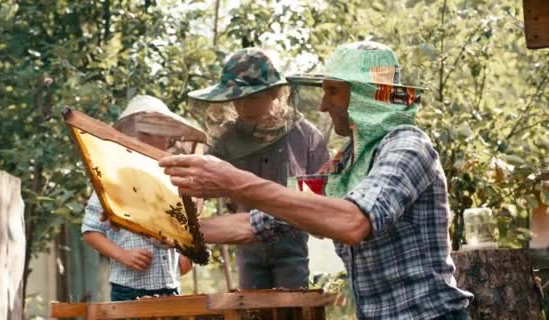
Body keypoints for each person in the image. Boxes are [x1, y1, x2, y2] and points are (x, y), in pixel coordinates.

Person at [159, 42, 474, 319]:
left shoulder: (407, 145)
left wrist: (235, 182)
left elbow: (354, 222)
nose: (323, 104)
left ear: (366, 94)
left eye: (333, 91)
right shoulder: (343, 165)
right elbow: (255, 224)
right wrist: (168, 229)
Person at [187, 48, 330, 289]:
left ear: (274, 92)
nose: (243, 106)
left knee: (292, 309)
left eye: (251, 97)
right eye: (237, 98)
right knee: (253, 310)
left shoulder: (304, 135)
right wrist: (188, 211)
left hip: (292, 241)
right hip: (247, 242)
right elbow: (200, 180)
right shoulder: (228, 139)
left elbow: (323, 196)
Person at [82, 95, 193, 301]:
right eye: (146, 133)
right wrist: (123, 256)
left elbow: (187, 229)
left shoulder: (174, 180)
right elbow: (90, 231)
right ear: (129, 137)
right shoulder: (111, 180)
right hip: (129, 289)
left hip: (170, 288)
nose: (156, 139)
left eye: (160, 132)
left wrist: (186, 254)